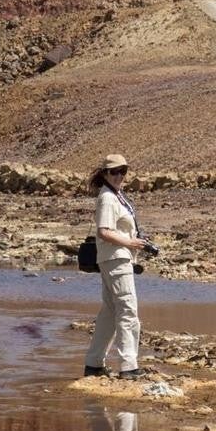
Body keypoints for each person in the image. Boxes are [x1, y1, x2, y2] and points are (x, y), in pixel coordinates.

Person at [83, 154, 148, 380]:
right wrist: (130, 242)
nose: (120, 175)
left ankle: (93, 363)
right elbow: (104, 231)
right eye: (114, 171)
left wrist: (134, 242)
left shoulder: (115, 196)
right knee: (128, 310)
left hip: (116, 258)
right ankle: (128, 366)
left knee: (110, 314)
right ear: (104, 174)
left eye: (123, 171)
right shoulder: (108, 198)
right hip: (116, 259)